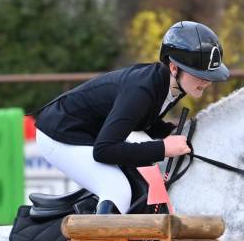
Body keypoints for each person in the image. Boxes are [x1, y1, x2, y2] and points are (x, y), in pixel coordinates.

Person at [32, 20, 231, 214]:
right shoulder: (142, 90)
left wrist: (171, 132)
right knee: (118, 189)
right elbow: (104, 151)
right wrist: (163, 148)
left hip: (88, 133)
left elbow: (144, 120)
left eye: (209, 76)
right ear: (173, 67)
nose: (206, 81)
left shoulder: (172, 84)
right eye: (199, 74)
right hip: (59, 134)